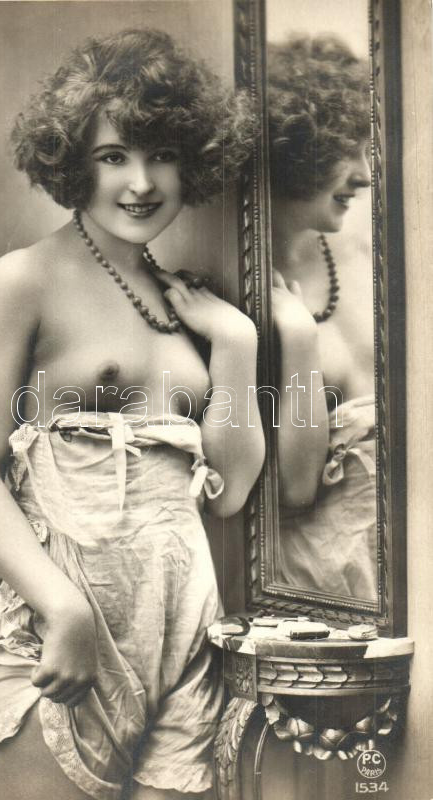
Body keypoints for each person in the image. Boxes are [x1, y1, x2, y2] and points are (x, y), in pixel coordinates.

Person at [0, 29, 265, 800]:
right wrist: (61, 606)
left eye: (163, 155)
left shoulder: (187, 304)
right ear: (73, 161)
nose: (142, 183)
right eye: (114, 156)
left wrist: (237, 341)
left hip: (184, 638)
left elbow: (230, 490)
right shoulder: (22, 281)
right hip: (61, 630)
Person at [267, 35, 377, 601]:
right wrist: (298, 337)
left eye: (367, 149)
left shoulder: (370, 257)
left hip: (406, 565)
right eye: (345, 150)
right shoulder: (232, 287)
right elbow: (295, 489)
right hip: (321, 586)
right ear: (295, 148)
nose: (365, 174)